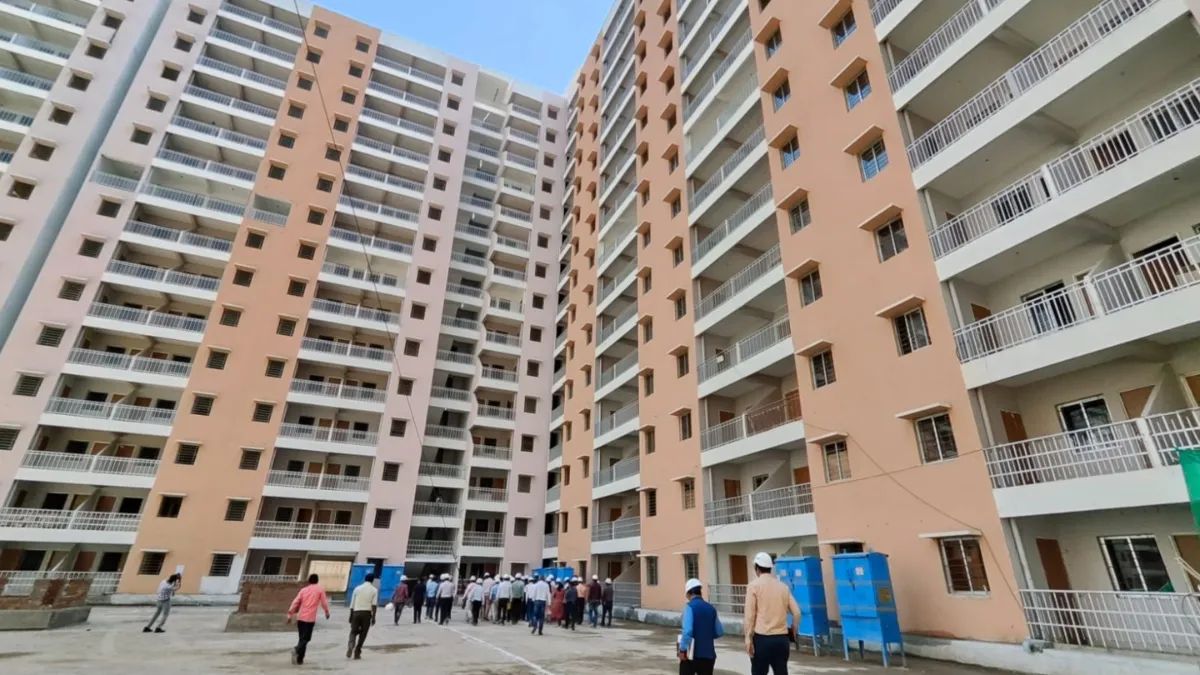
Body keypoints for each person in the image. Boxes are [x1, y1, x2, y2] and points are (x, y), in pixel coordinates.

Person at [744, 552, 800, 675]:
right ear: (770, 568)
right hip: (782, 640)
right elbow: (796, 612)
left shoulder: (753, 586)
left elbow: (750, 616)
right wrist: (794, 629)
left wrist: (748, 638)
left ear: (757, 568)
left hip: (762, 639)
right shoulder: (783, 587)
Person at [678, 578, 724, 675]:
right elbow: (719, 631)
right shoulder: (711, 608)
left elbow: (687, 631)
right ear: (700, 592)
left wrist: (682, 649)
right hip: (709, 656)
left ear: (688, 593)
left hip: (691, 655)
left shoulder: (689, 607)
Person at [286, 574, 331, 666]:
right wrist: (326, 612)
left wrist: (290, 614)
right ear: (317, 581)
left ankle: (300, 659)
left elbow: (295, 602)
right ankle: (296, 649)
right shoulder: (320, 590)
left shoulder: (303, 590)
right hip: (310, 619)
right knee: (306, 639)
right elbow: (324, 603)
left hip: (300, 618)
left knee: (302, 638)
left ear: (309, 581)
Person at [347, 572, 378, 660]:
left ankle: (351, 645)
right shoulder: (374, 590)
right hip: (366, 614)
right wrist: (373, 617)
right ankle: (357, 652)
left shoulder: (357, 588)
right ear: (372, 580)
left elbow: (352, 603)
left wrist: (351, 615)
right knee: (363, 633)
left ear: (365, 579)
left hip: (356, 612)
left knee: (353, 631)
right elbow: (374, 605)